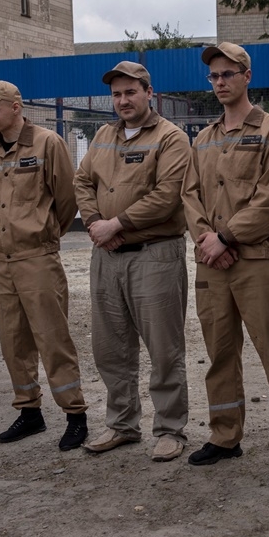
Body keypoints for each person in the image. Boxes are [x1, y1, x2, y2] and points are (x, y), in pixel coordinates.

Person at [181, 42, 269, 477]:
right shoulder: (203, 139)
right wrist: (207, 241)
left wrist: (225, 237)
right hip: (212, 263)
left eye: (228, 74)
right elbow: (190, 196)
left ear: (247, 76)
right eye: (214, 76)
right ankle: (225, 435)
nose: (220, 82)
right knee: (220, 353)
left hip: (256, 260)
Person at [73, 61, 192, 462]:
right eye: (117, 94)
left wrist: (117, 224)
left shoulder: (171, 139)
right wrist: (93, 222)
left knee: (164, 348)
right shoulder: (104, 135)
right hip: (107, 256)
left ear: (149, 93)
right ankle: (122, 424)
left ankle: (170, 429)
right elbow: (81, 181)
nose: (123, 100)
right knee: (111, 347)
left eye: (130, 92)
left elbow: (167, 196)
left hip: (154, 255)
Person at [0, 80, 88, 451]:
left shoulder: (47, 143)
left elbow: (66, 199)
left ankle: (75, 415)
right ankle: (29, 411)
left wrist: (45, 233)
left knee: (53, 339)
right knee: (12, 340)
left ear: (15, 107)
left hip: (36, 257)